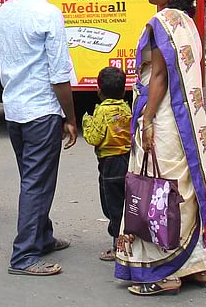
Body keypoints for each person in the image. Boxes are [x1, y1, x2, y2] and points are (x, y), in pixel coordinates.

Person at [114, 0, 206, 296]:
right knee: (182, 185)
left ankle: (165, 272)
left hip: (162, 116)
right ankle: (196, 264)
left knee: (158, 190)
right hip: (188, 122)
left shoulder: (161, 22)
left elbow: (159, 76)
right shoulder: (187, 22)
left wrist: (146, 121)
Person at [0, 0, 78, 276]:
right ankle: (24, 254)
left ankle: (42, 236)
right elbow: (59, 73)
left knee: (33, 180)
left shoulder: (4, 12)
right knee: (37, 183)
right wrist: (70, 118)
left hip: (14, 109)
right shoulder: (48, 13)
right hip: (41, 110)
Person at [82, 66, 131, 264]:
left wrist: (86, 121)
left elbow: (94, 138)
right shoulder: (127, 108)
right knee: (127, 203)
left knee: (113, 207)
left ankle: (117, 247)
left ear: (99, 91)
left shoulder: (101, 112)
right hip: (128, 161)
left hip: (109, 164)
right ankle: (130, 241)